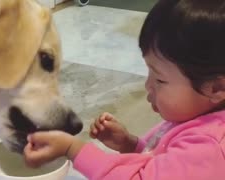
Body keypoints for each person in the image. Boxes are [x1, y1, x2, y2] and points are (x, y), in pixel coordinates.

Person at [23, 0, 225, 179]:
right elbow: (160, 165)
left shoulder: (207, 148)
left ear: (216, 87)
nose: (148, 85)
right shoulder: (194, 117)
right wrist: (130, 145)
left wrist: (73, 149)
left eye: (160, 80)